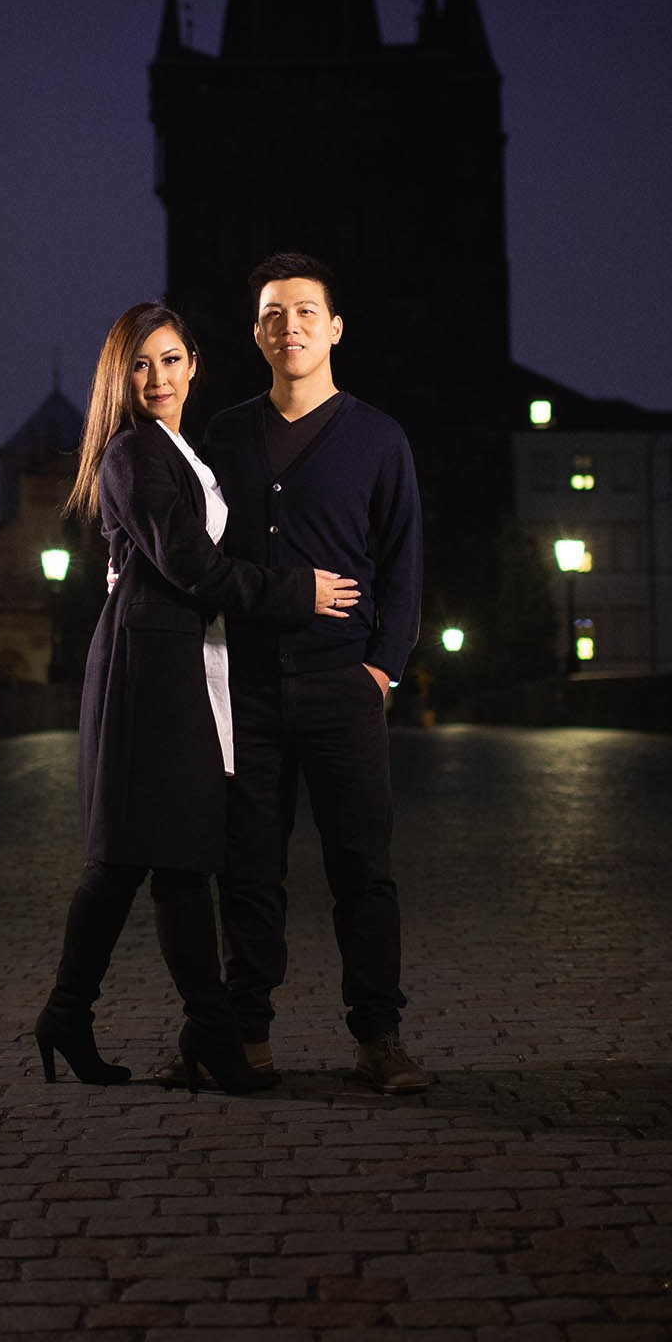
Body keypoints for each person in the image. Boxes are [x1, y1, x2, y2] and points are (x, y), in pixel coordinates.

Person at [33, 301, 359, 1094]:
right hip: (152, 668)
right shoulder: (130, 455)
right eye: (141, 364)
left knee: (135, 861)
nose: (158, 378)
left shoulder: (177, 451)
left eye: (171, 360)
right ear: (122, 375)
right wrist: (295, 594)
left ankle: (72, 1017)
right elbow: (192, 568)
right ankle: (206, 1032)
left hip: (181, 660)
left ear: (193, 366)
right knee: (164, 856)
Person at [154, 252, 431, 1094]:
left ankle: (378, 1036)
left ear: (334, 327)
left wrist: (381, 670)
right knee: (248, 871)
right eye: (274, 314)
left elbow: (404, 564)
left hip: (343, 685)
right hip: (247, 691)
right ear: (257, 334)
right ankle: (247, 1037)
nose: (291, 326)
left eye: (306, 311)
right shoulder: (225, 437)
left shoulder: (379, 439)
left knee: (361, 869)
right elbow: (194, 556)